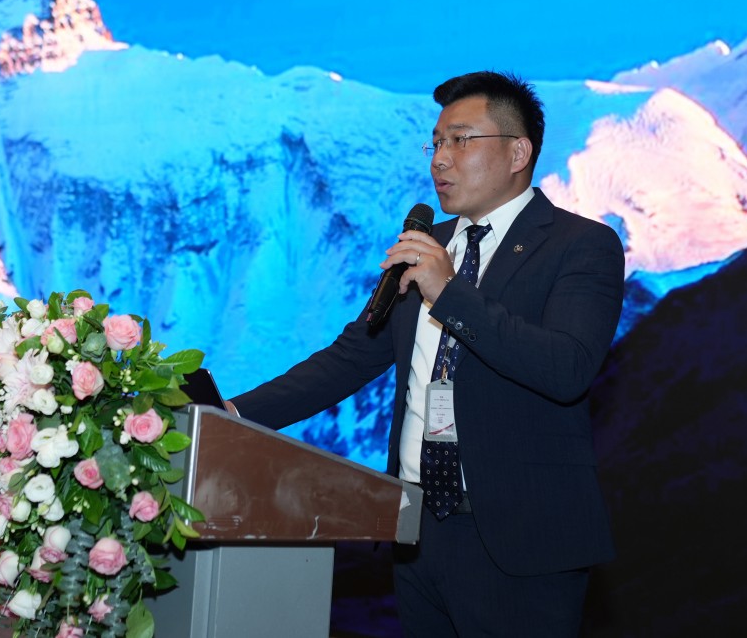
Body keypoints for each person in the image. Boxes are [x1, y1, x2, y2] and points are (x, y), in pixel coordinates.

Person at [229, 71, 625, 636]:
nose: (440, 159)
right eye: (435, 143)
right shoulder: (427, 245)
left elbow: (566, 368)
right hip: (417, 532)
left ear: (518, 153)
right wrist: (232, 414)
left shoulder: (580, 245)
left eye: (460, 141)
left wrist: (450, 292)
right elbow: (351, 358)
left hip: (521, 542)